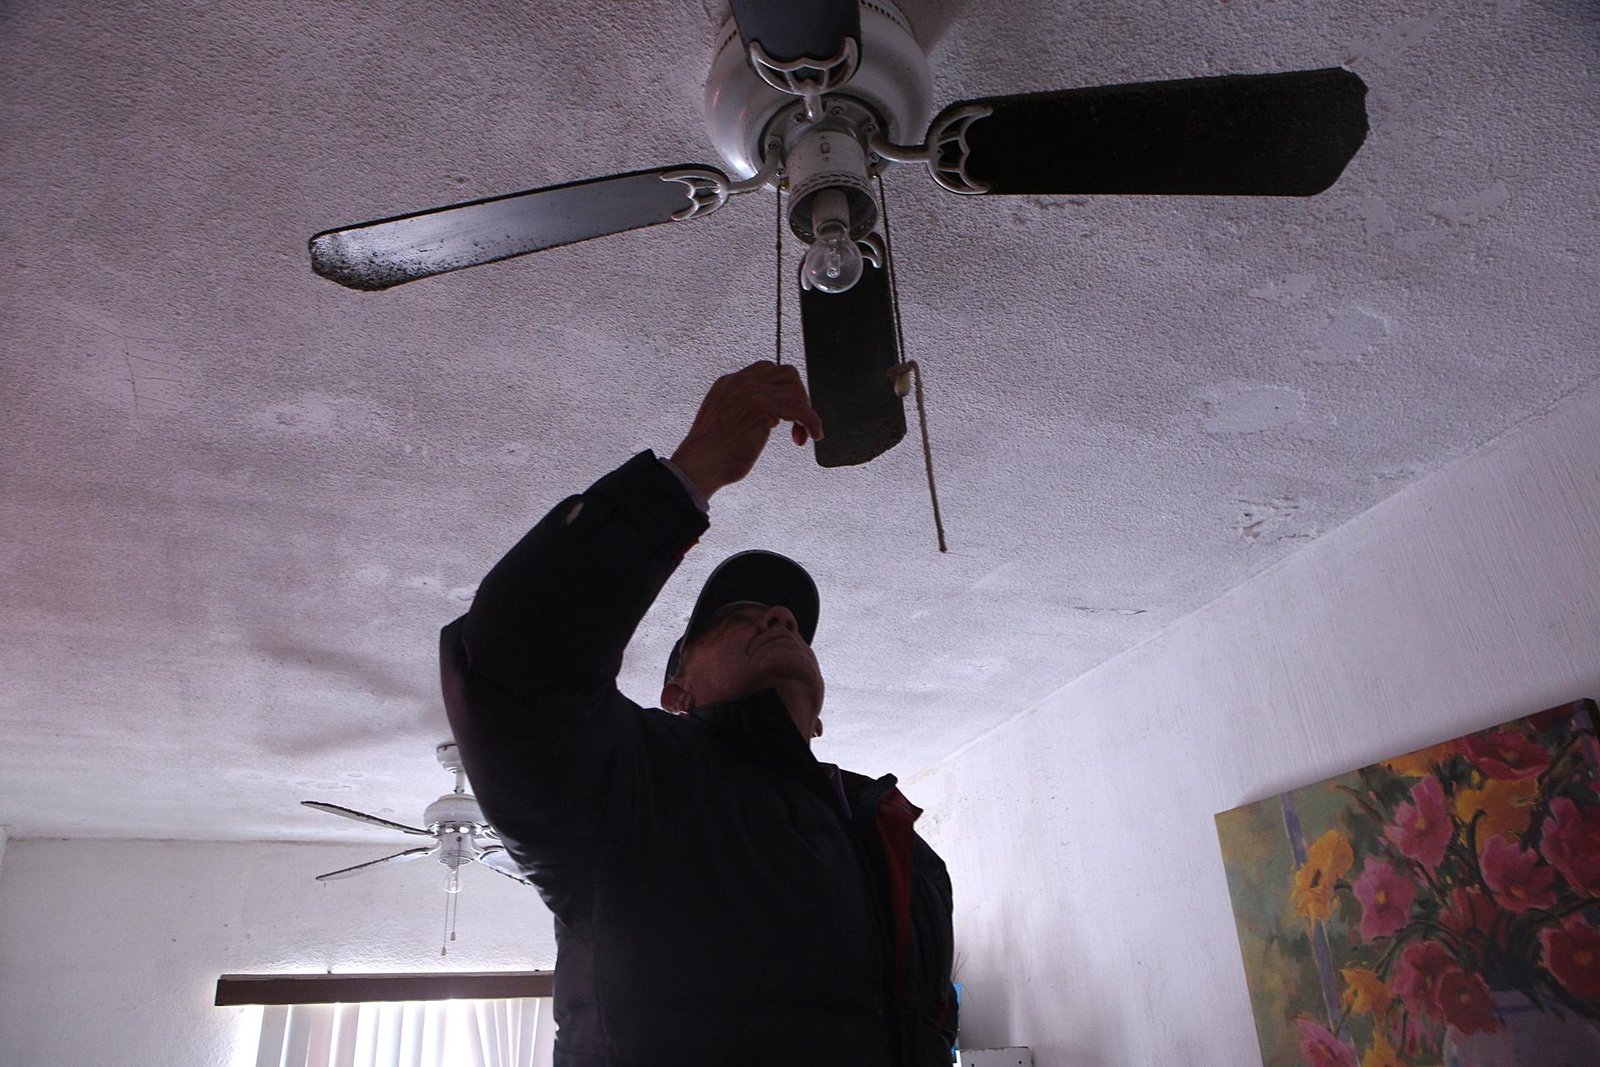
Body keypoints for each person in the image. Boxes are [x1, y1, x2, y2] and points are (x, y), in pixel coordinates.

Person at [441, 361, 958, 1066]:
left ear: (819, 719)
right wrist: (686, 477)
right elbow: (509, 665)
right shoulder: (629, 786)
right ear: (676, 690)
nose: (780, 617)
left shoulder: (906, 848)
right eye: (737, 616)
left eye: (791, 623)